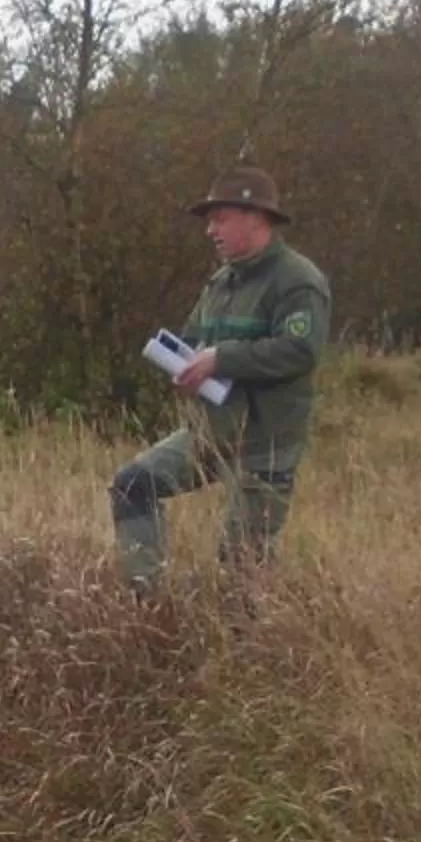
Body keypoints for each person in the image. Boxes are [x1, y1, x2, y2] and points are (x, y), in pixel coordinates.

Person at [111, 166, 331, 590]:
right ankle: (144, 601)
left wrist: (222, 359)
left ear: (256, 218)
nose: (210, 230)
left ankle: (258, 629)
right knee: (132, 486)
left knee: (241, 563)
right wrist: (187, 367)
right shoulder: (221, 282)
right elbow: (196, 339)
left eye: (220, 219)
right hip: (211, 432)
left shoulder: (298, 281)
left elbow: (299, 350)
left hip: (265, 444)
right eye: (210, 221)